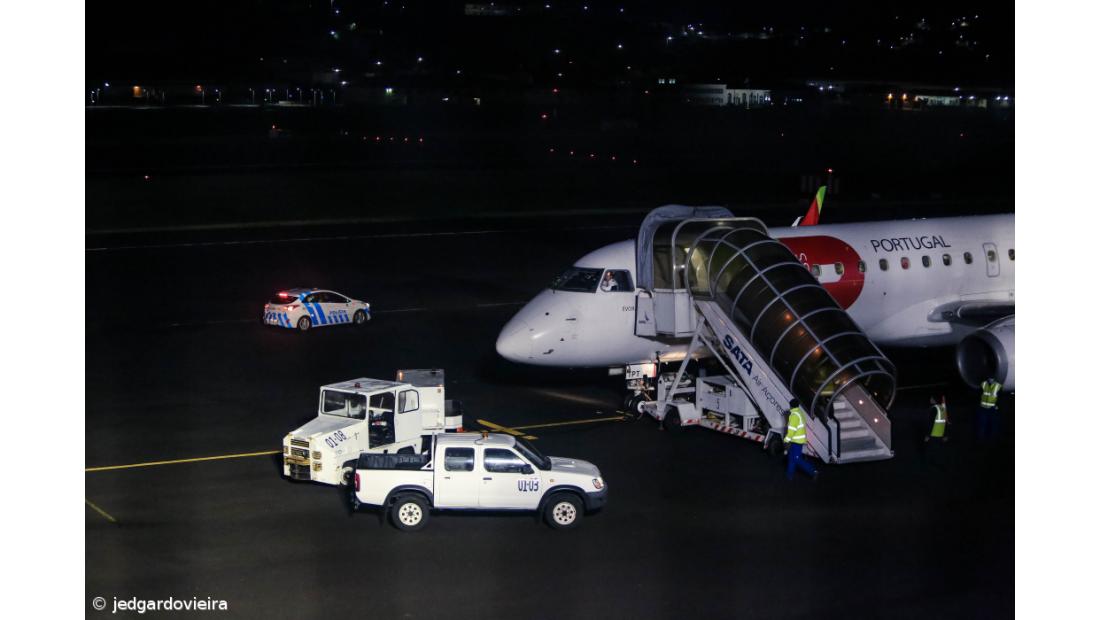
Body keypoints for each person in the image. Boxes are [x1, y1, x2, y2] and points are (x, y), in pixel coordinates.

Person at [784, 399, 818, 481]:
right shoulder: (799, 413)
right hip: (797, 440)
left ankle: (813, 471)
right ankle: (789, 475)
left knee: (796, 458)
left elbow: (792, 430)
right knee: (791, 457)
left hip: (797, 441)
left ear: (791, 406)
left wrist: (786, 439)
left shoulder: (794, 415)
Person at [978, 377, 1002, 441]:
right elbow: (979, 394)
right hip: (983, 408)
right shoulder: (983, 384)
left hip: (992, 408)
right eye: (989, 377)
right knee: (982, 424)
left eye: (992, 378)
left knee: (993, 424)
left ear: (994, 378)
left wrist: (997, 406)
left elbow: (1000, 397)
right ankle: (981, 440)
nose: (990, 379)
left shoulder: (998, 386)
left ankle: (992, 439)